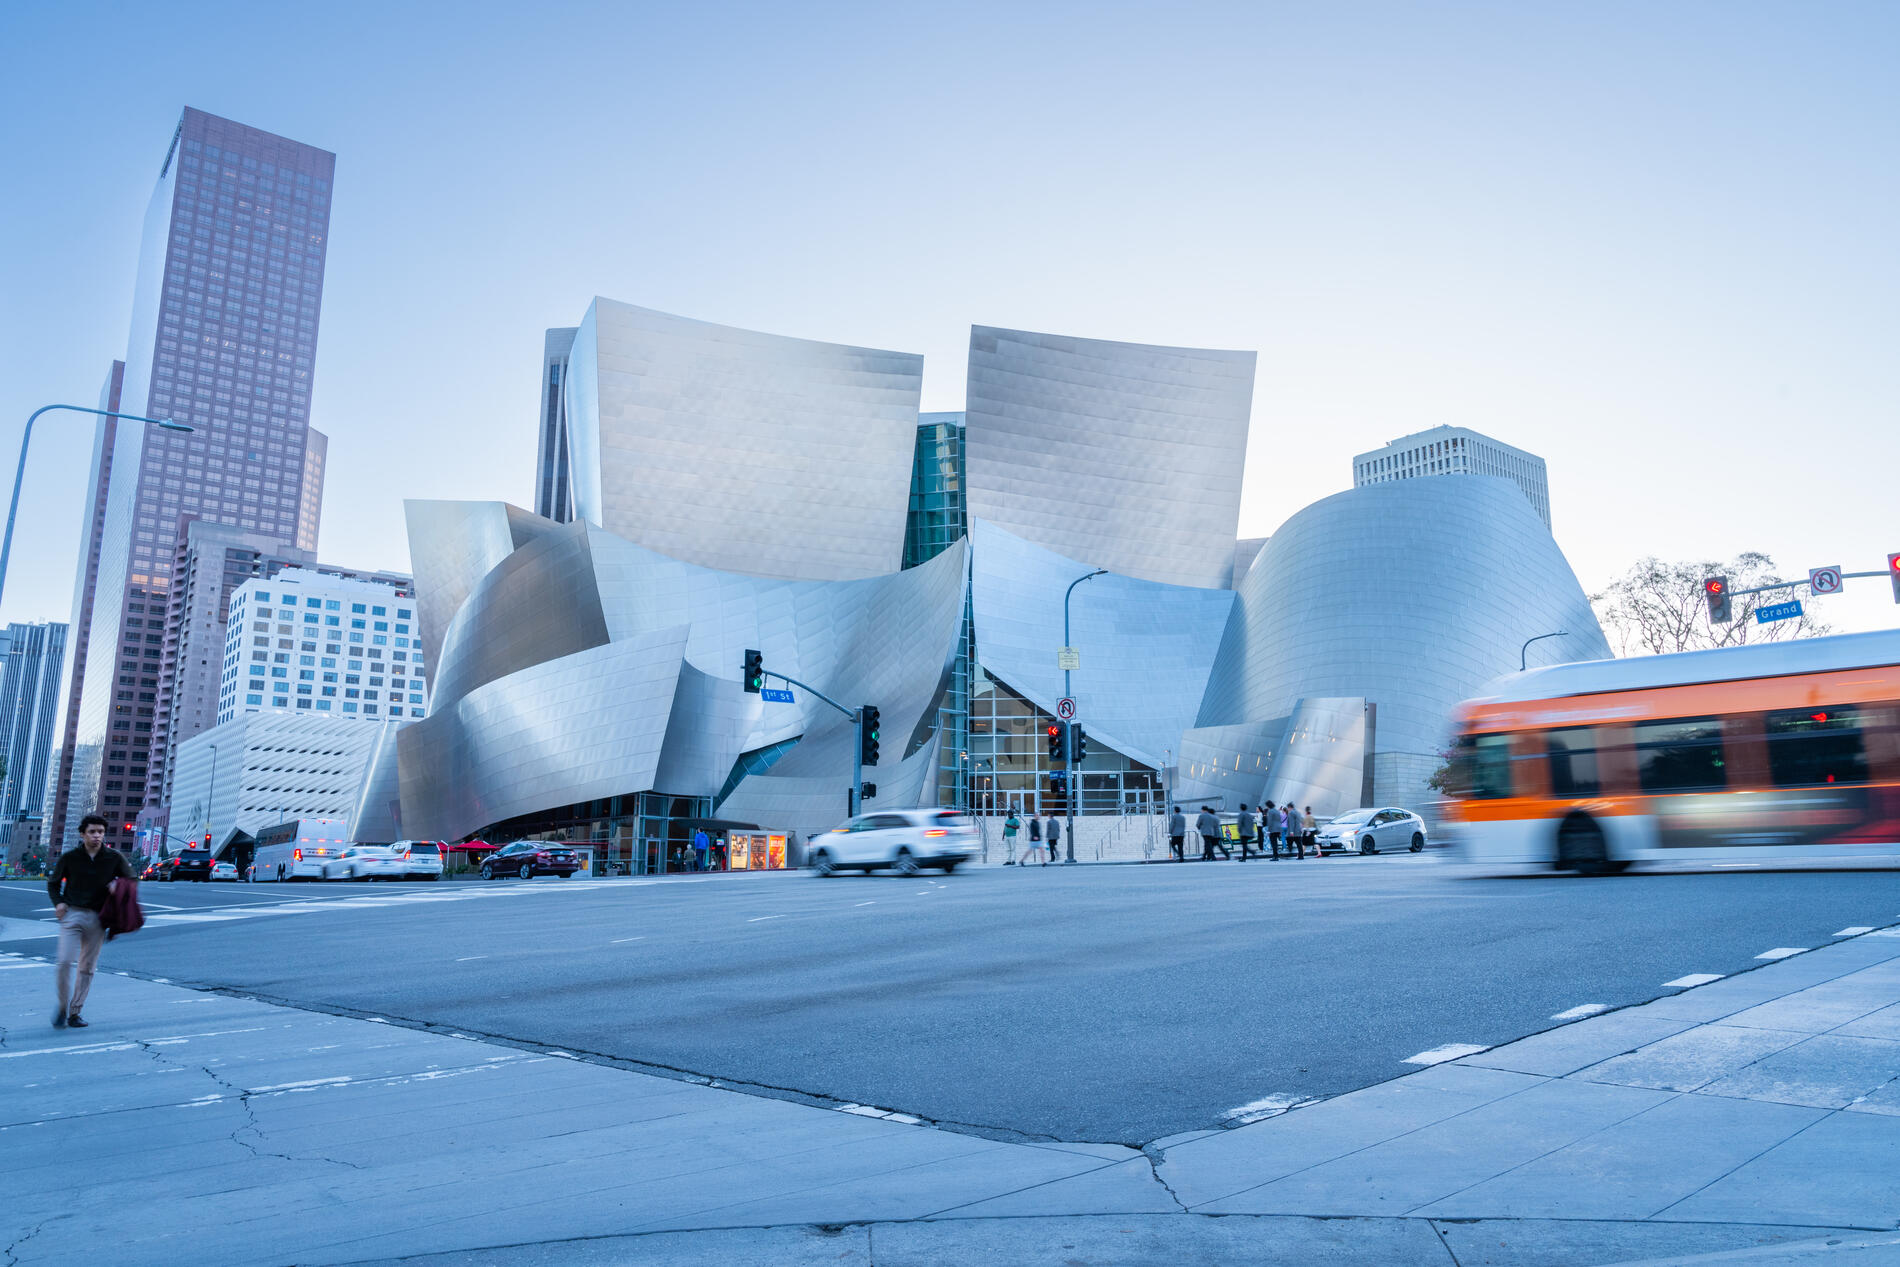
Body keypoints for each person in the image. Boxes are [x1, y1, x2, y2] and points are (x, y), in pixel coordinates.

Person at [48, 813, 130, 1029]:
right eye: (92, 832)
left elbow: (131, 878)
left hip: (98, 917)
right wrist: (58, 903)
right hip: (72, 914)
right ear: (83, 834)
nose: (97, 836)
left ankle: (75, 1012)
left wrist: (118, 886)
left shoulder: (114, 857)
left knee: (87, 967)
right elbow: (53, 884)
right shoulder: (70, 857)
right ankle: (62, 1006)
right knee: (64, 961)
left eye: (100, 832)